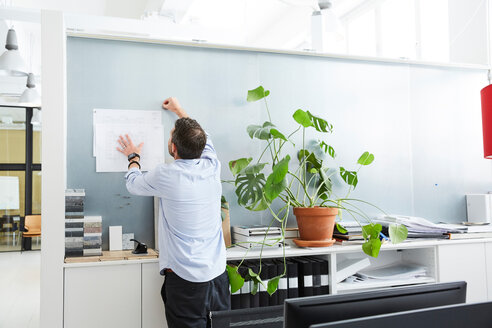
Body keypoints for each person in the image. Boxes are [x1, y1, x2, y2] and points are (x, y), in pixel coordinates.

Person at [116, 97, 230, 328]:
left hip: (186, 281)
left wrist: (133, 157)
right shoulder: (212, 166)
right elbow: (203, 136)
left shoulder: (166, 175)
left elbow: (133, 183)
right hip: (217, 277)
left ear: (173, 148)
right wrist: (178, 110)